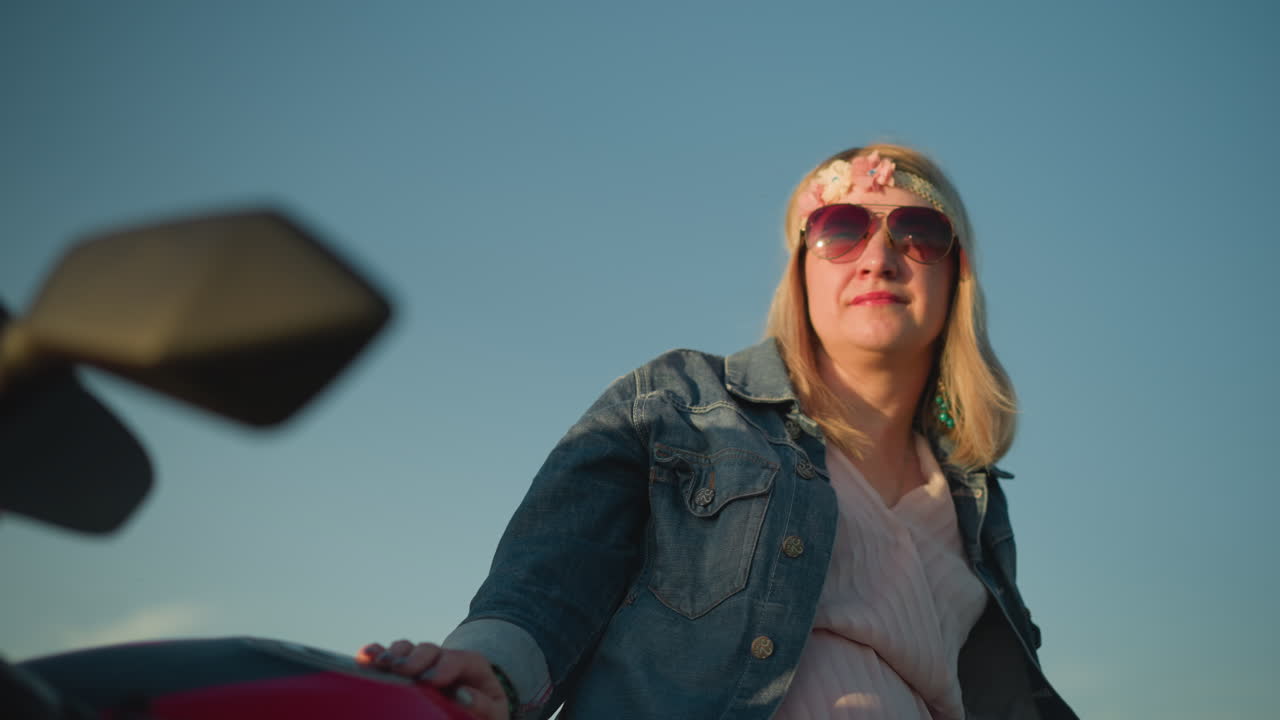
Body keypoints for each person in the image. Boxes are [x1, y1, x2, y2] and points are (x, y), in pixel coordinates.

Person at [357, 144, 1078, 719]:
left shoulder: (974, 505)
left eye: (920, 233)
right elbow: (548, 585)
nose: (879, 256)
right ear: (800, 269)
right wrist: (491, 672)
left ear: (957, 275)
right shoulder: (681, 404)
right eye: (841, 229)